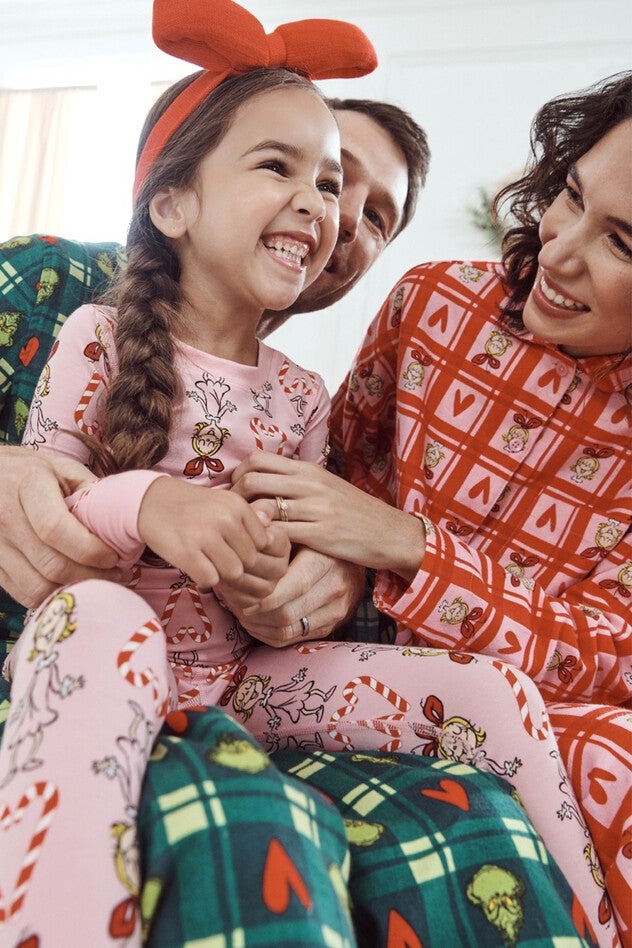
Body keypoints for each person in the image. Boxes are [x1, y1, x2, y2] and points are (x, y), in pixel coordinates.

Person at [0, 4, 609, 946]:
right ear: (172, 202)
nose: (322, 204)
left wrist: (283, 593)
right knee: (98, 617)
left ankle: (594, 928)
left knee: (492, 691)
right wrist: (152, 502)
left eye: (331, 184)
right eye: (281, 168)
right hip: (101, 649)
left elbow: (297, 565)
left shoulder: (305, 395)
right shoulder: (93, 336)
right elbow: (46, 499)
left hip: (245, 681)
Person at [233, 69, 632, 945]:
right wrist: (339, 558)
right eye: (568, 195)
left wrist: (415, 547)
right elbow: (333, 475)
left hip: (545, 715)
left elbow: (611, 657)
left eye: (623, 244)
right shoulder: (436, 302)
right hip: (334, 665)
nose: (559, 251)